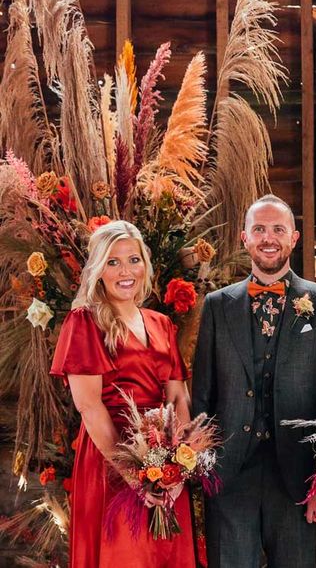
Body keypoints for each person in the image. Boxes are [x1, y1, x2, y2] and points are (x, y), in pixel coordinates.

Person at [192, 194, 316, 568]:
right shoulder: (217, 304)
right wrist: (203, 469)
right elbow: (202, 395)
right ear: (244, 237)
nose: (268, 237)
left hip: (297, 476)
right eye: (259, 229)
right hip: (229, 476)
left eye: (278, 229)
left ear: (294, 238)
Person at [50, 220, 195, 567]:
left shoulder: (160, 323)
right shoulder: (85, 321)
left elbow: (178, 396)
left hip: (165, 453)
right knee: (126, 553)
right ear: (99, 269)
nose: (125, 270)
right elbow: (89, 405)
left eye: (133, 259)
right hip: (112, 458)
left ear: (145, 264)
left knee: (166, 551)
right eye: (113, 262)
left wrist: (179, 465)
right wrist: (135, 474)